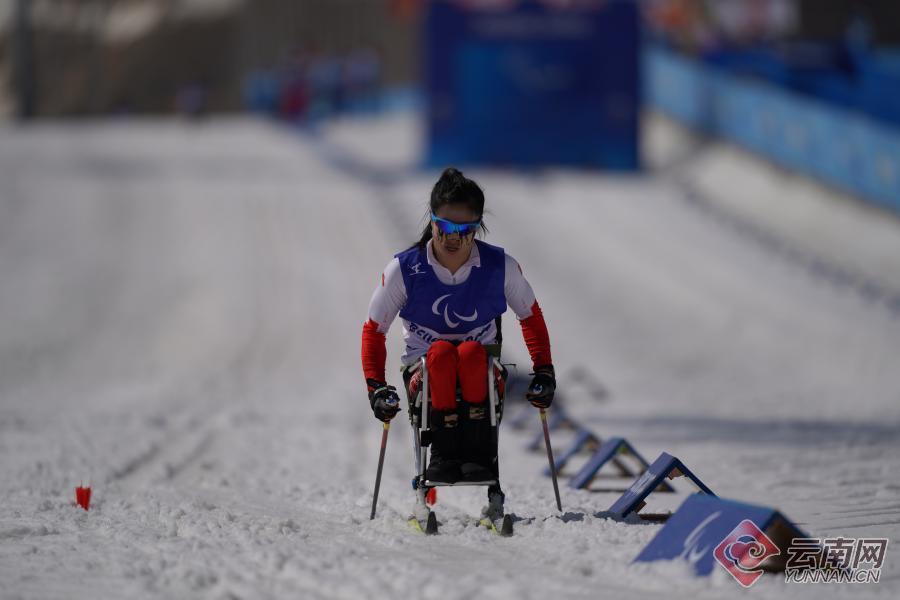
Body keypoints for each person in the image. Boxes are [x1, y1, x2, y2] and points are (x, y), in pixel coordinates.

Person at [360, 168, 556, 497]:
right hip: (424, 366)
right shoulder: (405, 269)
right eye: (445, 226)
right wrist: (375, 387)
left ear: (478, 226)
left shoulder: (499, 265)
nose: (453, 237)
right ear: (432, 220)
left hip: (480, 366)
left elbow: (531, 316)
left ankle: (478, 456)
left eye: (466, 229)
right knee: (440, 354)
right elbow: (373, 330)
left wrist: (544, 371)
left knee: (468, 354)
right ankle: (444, 454)